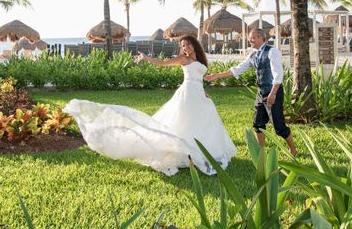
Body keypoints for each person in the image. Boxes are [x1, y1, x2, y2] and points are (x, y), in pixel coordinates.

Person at [63, 35, 236, 176]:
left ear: (194, 45)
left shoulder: (200, 60)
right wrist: (146, 58)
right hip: (187, 94)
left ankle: (201, 150)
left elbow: (198, 79)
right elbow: (163, 64)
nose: (185, 48)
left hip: (198, 93)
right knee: (185, 121)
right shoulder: (183, 59)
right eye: (183, 46)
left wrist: (203, 91)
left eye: (188, 45)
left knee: (202, 120)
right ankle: (186, 153)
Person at [205, 28, 297, 155]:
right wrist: (217, 76)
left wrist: (273, 93)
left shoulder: (272, 52)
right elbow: (237, 69)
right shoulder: (253, 55)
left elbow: (278, 75)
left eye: (253, 38)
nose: (250, 40)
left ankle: (293, 149)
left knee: (279, 127)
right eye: (249, 38)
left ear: (261, 38)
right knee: (258, 123)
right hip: (261, 93)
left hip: (273, 91)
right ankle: (260, 152)